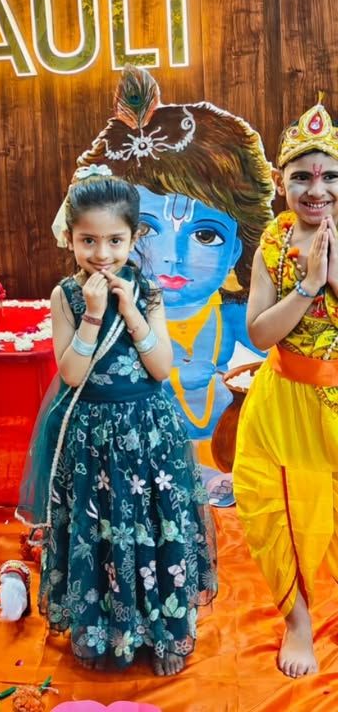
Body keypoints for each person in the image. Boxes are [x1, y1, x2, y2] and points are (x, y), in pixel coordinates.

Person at [18, 169, 216, 675]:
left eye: (114, 240)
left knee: (152, 526)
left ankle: (163, 630)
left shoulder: (147, 290)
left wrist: (131, 311)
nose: (102, 254)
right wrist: (92, 313)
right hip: (92, 436)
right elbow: (71, 372)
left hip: (149, 433)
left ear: (133, 237)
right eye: (88, 240)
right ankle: (104, 630)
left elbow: (161, 367)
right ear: (71, 239)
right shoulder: (65, 296)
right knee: (100, 529)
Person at [76, 67, 275, 441]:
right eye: (146, 230)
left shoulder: (234, 316)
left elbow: (284, 359)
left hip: (227, 449)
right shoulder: (113, 310)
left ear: (238, 247)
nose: (173, 256)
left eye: (205, 235)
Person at [235, 99, 338, 679]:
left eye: (329, 177)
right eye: (302, 177)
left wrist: (332, 275)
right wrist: (307, 286)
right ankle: (298, 622)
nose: (316, 190)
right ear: (281, 182)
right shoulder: (273, 244)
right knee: (274, 509)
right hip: (282, 405)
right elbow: (258, 332)